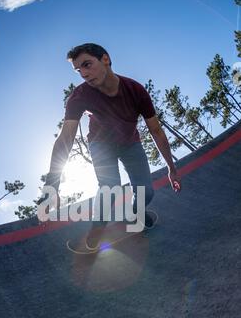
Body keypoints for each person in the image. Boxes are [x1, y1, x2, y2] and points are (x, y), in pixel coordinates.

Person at [38, 43, 181, 250]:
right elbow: (66, 137)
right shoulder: (80, 96)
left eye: (87, 65)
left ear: (105, 59)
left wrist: (171, 168)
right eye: (79, 70)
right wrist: (52, 186)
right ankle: (98, 228)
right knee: (110, 188)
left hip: (130, 143)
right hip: (100, 144)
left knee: (147, 192)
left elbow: (156, 131)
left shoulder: (135, 90)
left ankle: (136, 215)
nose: (84, 74)